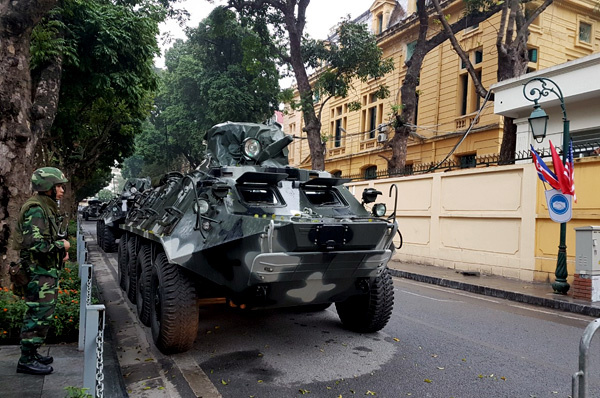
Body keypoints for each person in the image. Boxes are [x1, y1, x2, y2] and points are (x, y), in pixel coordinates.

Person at [11, 167, 70, 375]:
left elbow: (47, 238)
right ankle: (26, 359)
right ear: (48, 188)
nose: (62, 190)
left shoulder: (46, 206)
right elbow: (36, 244)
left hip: (45, 270)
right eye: (59, 187)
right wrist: (62, 246)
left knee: (43, 314)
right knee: (38, 315)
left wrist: (60, 248)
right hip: (38, 272)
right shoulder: (36, 208)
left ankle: (33, 352)